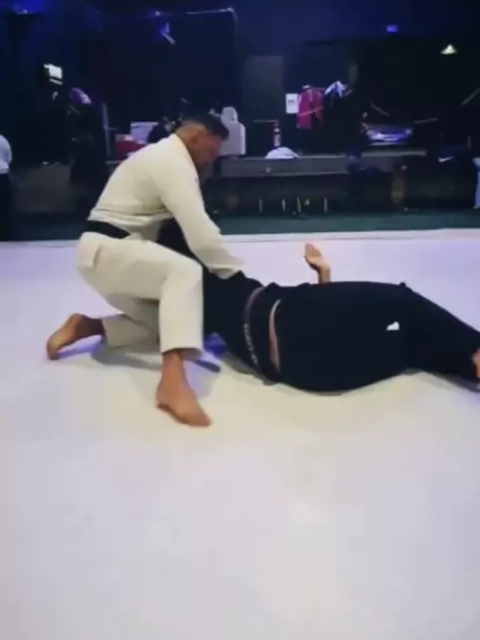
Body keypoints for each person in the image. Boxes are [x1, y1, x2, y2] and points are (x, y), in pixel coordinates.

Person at [45, 113, 242, 427]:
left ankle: (88, 326)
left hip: (104, 256)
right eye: (210, 151)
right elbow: (201, 234)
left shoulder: (160, 156)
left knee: (167, 325)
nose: (211, 160)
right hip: (111, 251)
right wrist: (236, 276)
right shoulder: (173, 161)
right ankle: (173, 381)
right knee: (184, 273)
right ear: (194, 137)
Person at [159, 220, 480, 393]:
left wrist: (324, 277)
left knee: (412, 347)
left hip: (308, 373)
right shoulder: (205, 274)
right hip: (292, 317)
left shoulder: (192, 306)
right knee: (403, 303)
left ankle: (473, 365)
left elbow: (318, 331)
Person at [0, 132, 14, 240]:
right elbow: (8, 158)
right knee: (5, 208)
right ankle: (6, 235)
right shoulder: (2, 139)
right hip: (3, 174)